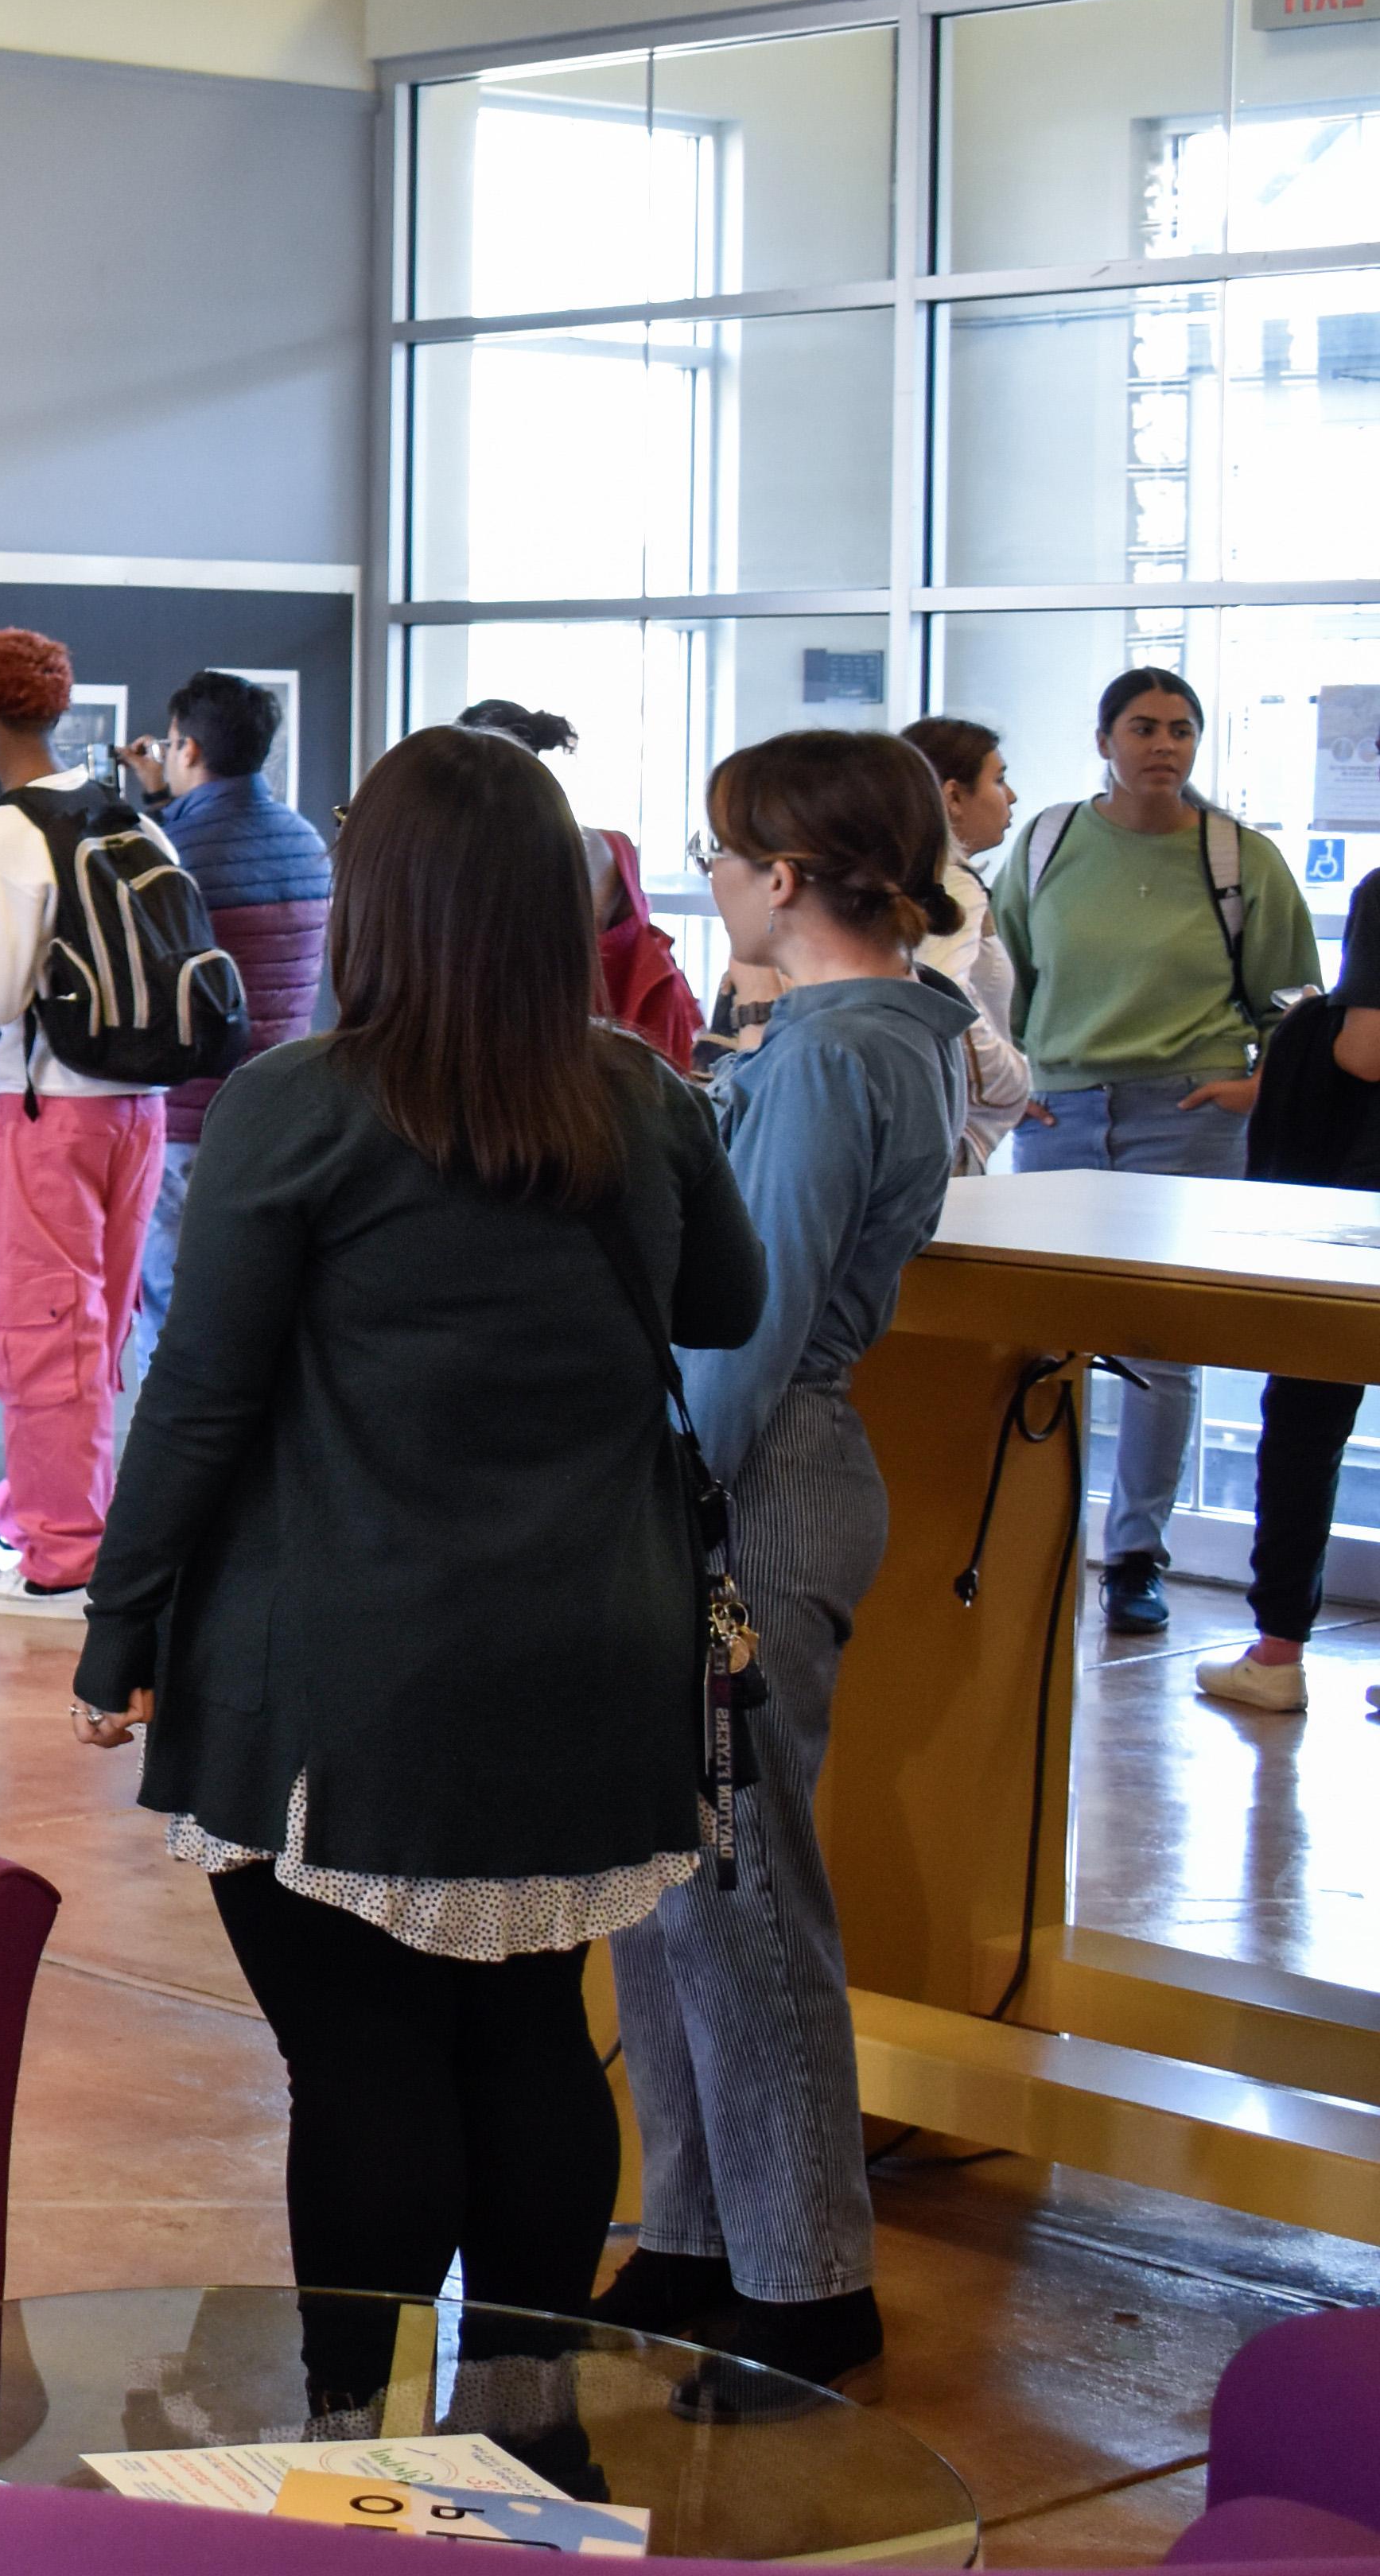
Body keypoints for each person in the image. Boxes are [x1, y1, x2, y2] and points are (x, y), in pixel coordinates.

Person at [73, 724, 760, 2372]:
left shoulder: (300, 1107)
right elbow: (723, 1304)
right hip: (593, 1650)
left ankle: (358, 2445)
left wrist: (121, 1629)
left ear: (378, 895)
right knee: (531, 2036)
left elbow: (199, 1399)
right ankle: (532, 2431)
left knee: (365, 2058)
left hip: (352, 1667)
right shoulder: (641, 1097)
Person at [600, 732, 970, 2394]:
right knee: (680, 1886)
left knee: (740, 1892)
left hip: (754, 1480)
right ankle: (697, 2235)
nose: (713, 876)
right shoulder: (877, 1031)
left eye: (727, 850)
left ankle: (807, 2275)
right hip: (763, 1473)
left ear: (794, 873)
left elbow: (746, 1331)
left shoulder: (833, 1052)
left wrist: (662, 1480)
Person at [993, 667, 1322, 1638]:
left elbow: (1296, 1004)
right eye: (1142, 727)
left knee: (1160, 1350)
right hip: (1062, 1114)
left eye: (1181, 729)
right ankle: (1029, 1538)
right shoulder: (1049, 842)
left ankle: (1135, 1555)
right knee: (1044, 1337)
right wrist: (1017, 1081)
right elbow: (1006, 973)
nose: (1163, 746)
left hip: (1186, 1112)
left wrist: (1254, 1088)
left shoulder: (1237, 857)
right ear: (1104, 739)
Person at [0, 629, 169, 1624]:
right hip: (140, 1108)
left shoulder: (2, 835)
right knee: (101, 1327)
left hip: (49, 1106)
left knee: (42, 1330)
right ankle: (60, 1519)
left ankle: (57, 1559)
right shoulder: (128, 816)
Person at [1199, 850, 1380, 1719]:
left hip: (1352, 1212)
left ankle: (1277, 1654)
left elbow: (1369, 1049)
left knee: (1307, 1417)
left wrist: (1313, 1025)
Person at [122, 671, 328, 1391]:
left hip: (183, 1120)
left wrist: (156, 808)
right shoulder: (306, 843)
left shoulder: (169, 851)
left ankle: (176, 1486)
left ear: (189, 747)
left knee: (173, 1323)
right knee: (261, 1314)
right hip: (281, 1116)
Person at [461, 700, 703, 1073]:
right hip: (612, 1018)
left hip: (608, 1021)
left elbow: (565, 961)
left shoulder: (579, 848)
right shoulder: (592, 843)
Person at [896, 716, 1039, 1171]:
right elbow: (939, 1000)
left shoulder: (910, 877)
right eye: (999, 779)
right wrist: (1012, 1081)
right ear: (954, 796)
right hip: (947, 1135)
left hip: (927, 1123)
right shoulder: (952, 886)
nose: (1011, 796)